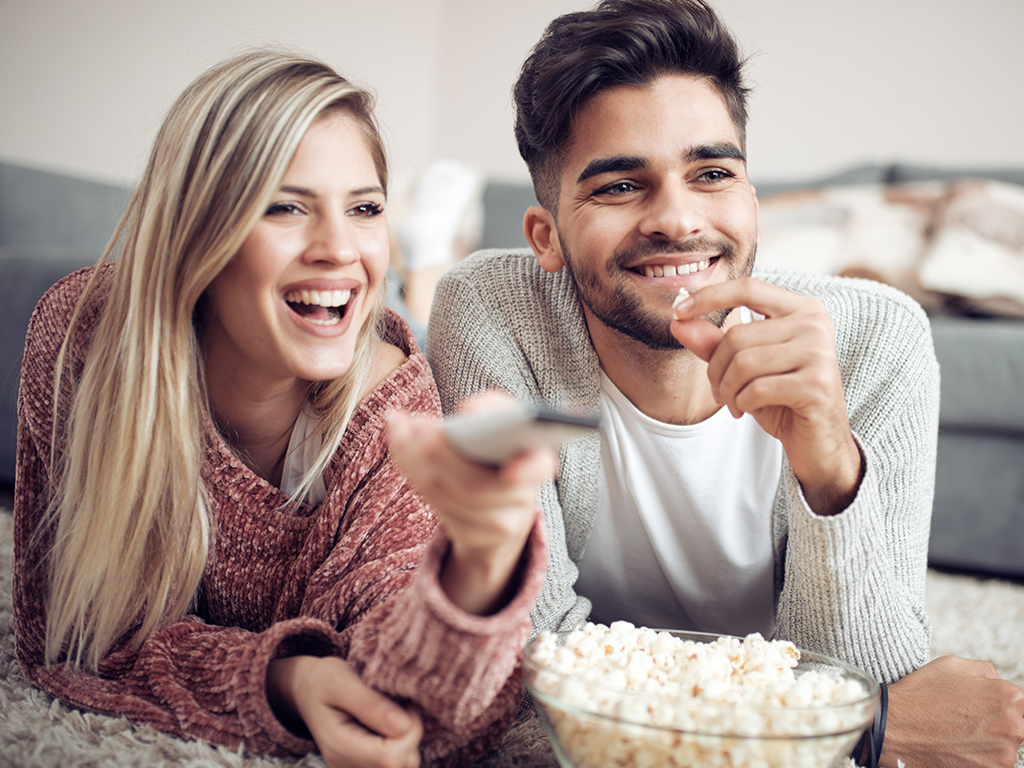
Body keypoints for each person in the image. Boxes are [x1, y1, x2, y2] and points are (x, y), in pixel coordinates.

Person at [425, 1, 1024, 766]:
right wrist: (857, 727)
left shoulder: (878, 339)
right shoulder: (489, 311)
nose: (678, 220)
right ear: (546, 235)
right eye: (618, 187)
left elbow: (880, 672)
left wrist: (830, 468)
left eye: (712, 173)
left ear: (751, 200)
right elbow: (520, 692)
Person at [12, 50, 556, 768]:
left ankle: (426, 261)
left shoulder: (392, 407)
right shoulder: (83, 339)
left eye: (365, 209)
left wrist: (478, 570)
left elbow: (420, 716)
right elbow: (65, 633)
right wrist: (281, 677)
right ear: (197, 234)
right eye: (285, 206)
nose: (340, 249)